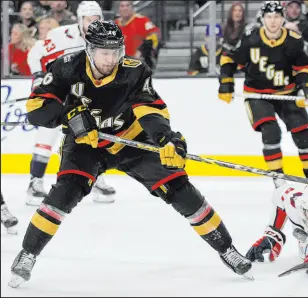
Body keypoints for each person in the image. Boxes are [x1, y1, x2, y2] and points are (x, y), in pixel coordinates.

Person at [8, 20, 252, 289]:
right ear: (89, 49)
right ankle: (28, 252)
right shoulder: (66, 66)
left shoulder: (135, 71)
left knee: (179, 188)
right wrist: (70, 116)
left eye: (115, 51)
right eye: (104, 52)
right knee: (63, 195)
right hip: (85, 145)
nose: (111, 58)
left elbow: (150, 111)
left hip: (131, 140)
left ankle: (226, 248)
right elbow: (36, 109)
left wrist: (165, 139)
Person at [218, 1, 308, 189]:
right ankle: (279, 180)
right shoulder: (251, 39)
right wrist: (226, 82)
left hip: (287, 92)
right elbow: (229, 57)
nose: (273, 21)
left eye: (277, 17)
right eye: (269, 17)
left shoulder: (293, 40)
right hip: (257, 94)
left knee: (302, 133)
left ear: (283, 19)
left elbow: (303, 67)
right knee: (271, 132)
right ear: (263, 19)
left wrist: (306, 87)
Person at [26, 1, 116, 206]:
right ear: (79, 19)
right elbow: (36, 53)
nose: (92, 23)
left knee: (93, 137)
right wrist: (39, 78)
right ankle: (35, 183)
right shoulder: (61, 35)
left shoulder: (107, 39)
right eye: (88, 19)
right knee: (46, 135)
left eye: (96, 19)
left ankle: (97, 179)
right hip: (60, 93)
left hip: (86, 97)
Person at [115, 1, 161, 70]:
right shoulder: (114, 24)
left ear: (132, 7)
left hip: (140, 66)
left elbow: (155, 36)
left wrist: (142, 52)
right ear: (119, 9)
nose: (125, 8)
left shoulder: (142, 21)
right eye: (122, 6)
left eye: (127, 5)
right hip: (120, 68)